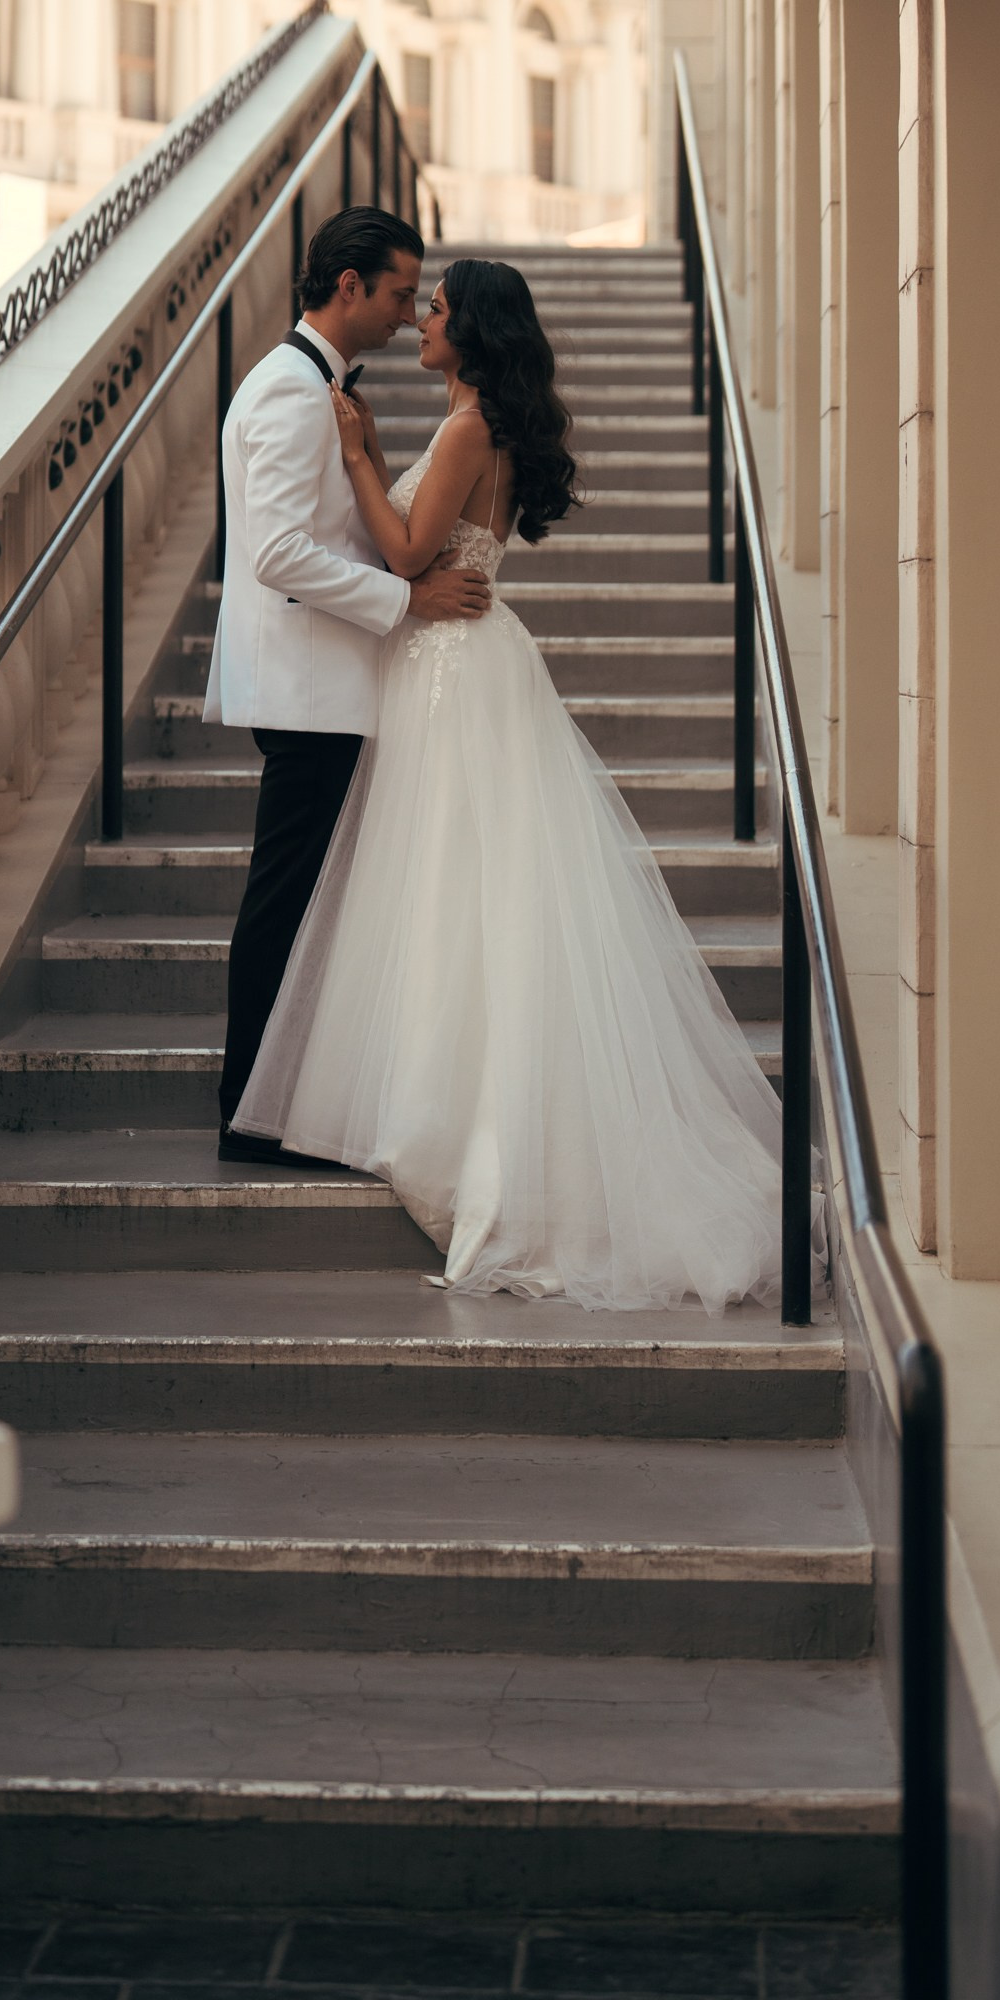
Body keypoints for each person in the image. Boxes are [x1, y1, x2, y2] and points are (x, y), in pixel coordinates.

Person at [233, 257, 782, 1311]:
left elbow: (400, 554)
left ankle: (454, 1119)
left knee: (446, 889)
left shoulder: (468, 429)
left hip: (448, 671)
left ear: (470, 328)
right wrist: (384, 457)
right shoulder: (470, 429)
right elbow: (430, 533)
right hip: (465, 663)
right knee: (459, 888)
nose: (421, 321)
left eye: (434, 309)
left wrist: (354, 461)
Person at [202, 207, 491, 1164]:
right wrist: (404, 600)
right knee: (285, 901)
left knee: (297, 898)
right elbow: (282, 552)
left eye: (423, 299)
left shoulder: (307, 385)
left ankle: (272, 1100)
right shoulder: (289, 390)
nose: (413, 314)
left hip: (319, 678)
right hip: (308, 684)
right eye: (403, 293)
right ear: (349, 284)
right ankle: (251, 1109)